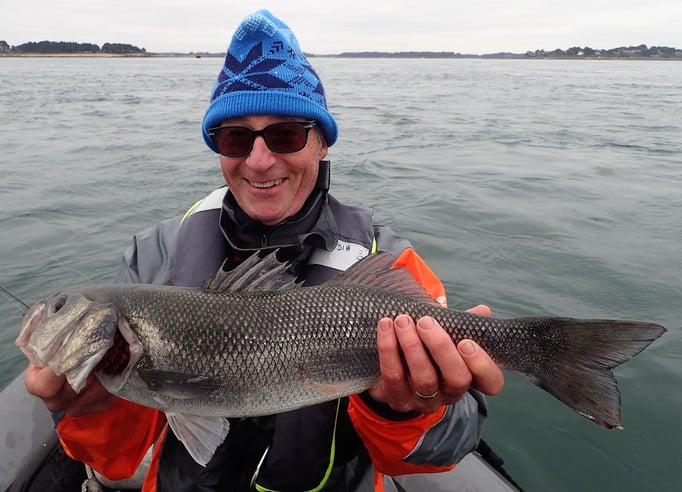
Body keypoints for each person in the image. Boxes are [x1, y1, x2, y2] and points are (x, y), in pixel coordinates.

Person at [24, 9, 504, 492]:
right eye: (236, 137)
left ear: (321, 142)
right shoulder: (153, 258)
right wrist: (93, 408)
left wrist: (402, 411)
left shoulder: (390, 261)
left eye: (285, 134)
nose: (259, 160)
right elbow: (117, 457)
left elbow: (449, 446)